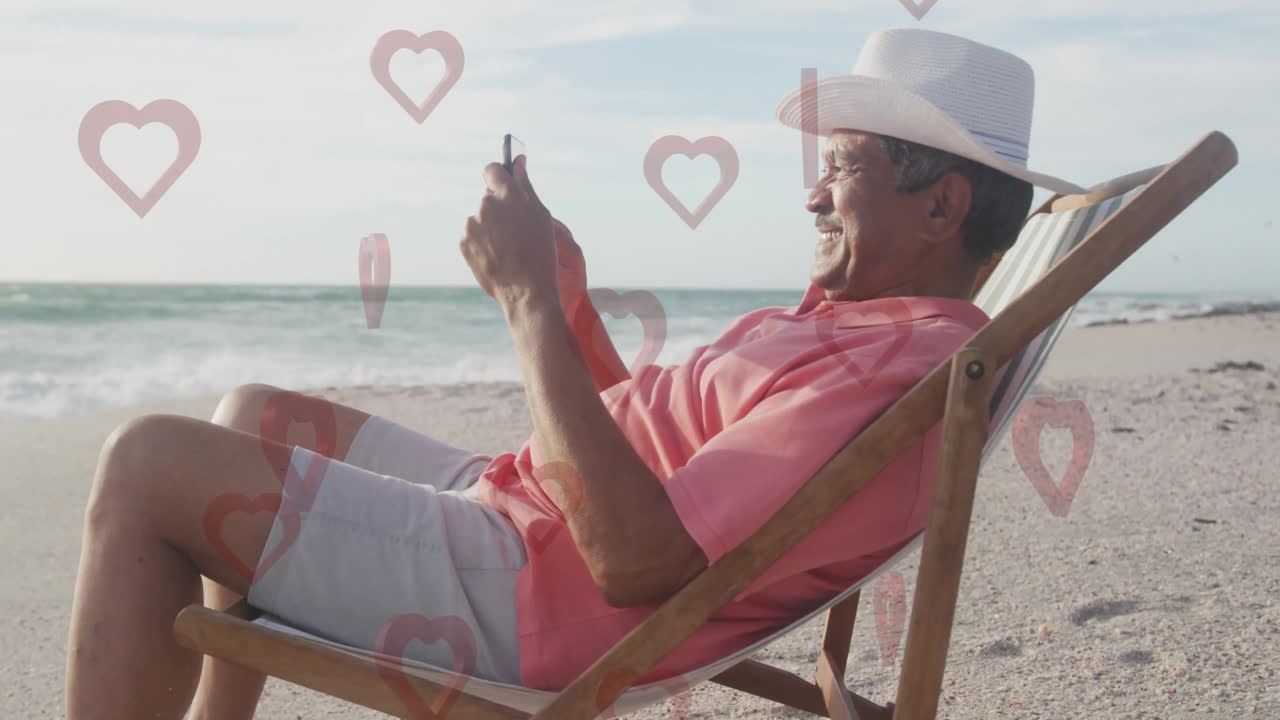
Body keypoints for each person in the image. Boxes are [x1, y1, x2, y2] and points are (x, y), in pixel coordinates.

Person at [64, 27, 1084, 719]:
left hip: (535, 599)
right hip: (531, 524)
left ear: (942, 208)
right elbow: (644, 449)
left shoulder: (891, 365)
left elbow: (639, 564)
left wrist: (527, 306)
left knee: (146, 461)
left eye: (844, 166)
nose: (814, 195)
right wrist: (571, 300)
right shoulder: (856, 324)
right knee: (254, 412)